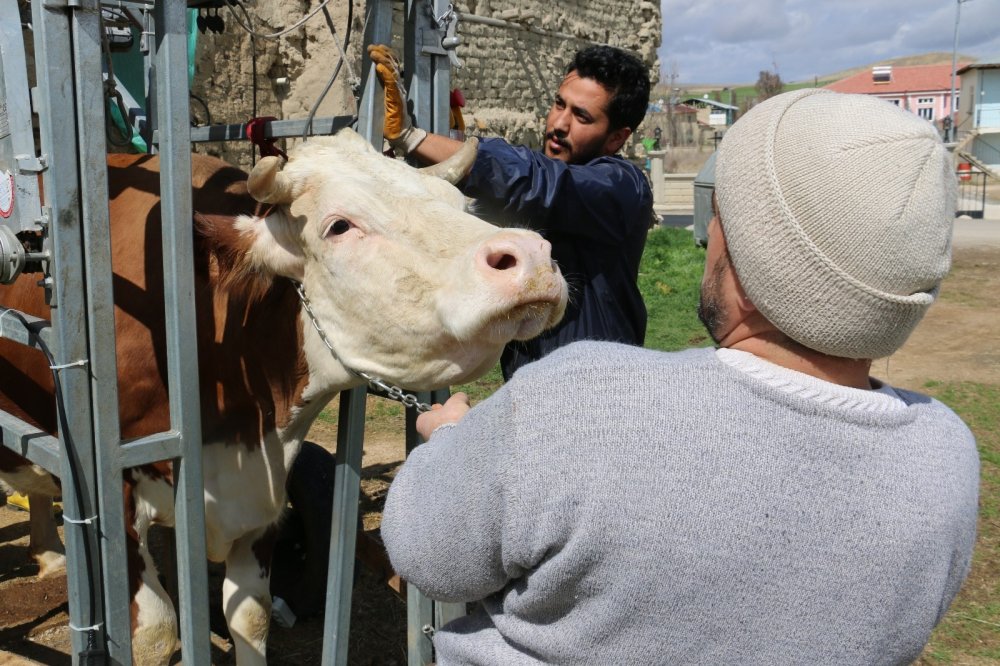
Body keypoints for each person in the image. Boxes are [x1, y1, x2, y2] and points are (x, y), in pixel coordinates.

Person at [379, 89, 981, 664]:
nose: (707, 236)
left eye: (724, 218)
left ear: (756, 261)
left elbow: (427, 554)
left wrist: (455, 439)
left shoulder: (579, 405)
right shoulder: (946, 455)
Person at [368, 44, 653, 380]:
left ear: (616, 139)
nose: (559, 123)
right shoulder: (535, 184)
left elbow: (539, 184)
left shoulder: (622, 188)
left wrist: (412, 137)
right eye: (559, 104)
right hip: (527, 388)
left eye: (582, 116)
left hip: (601, 394)